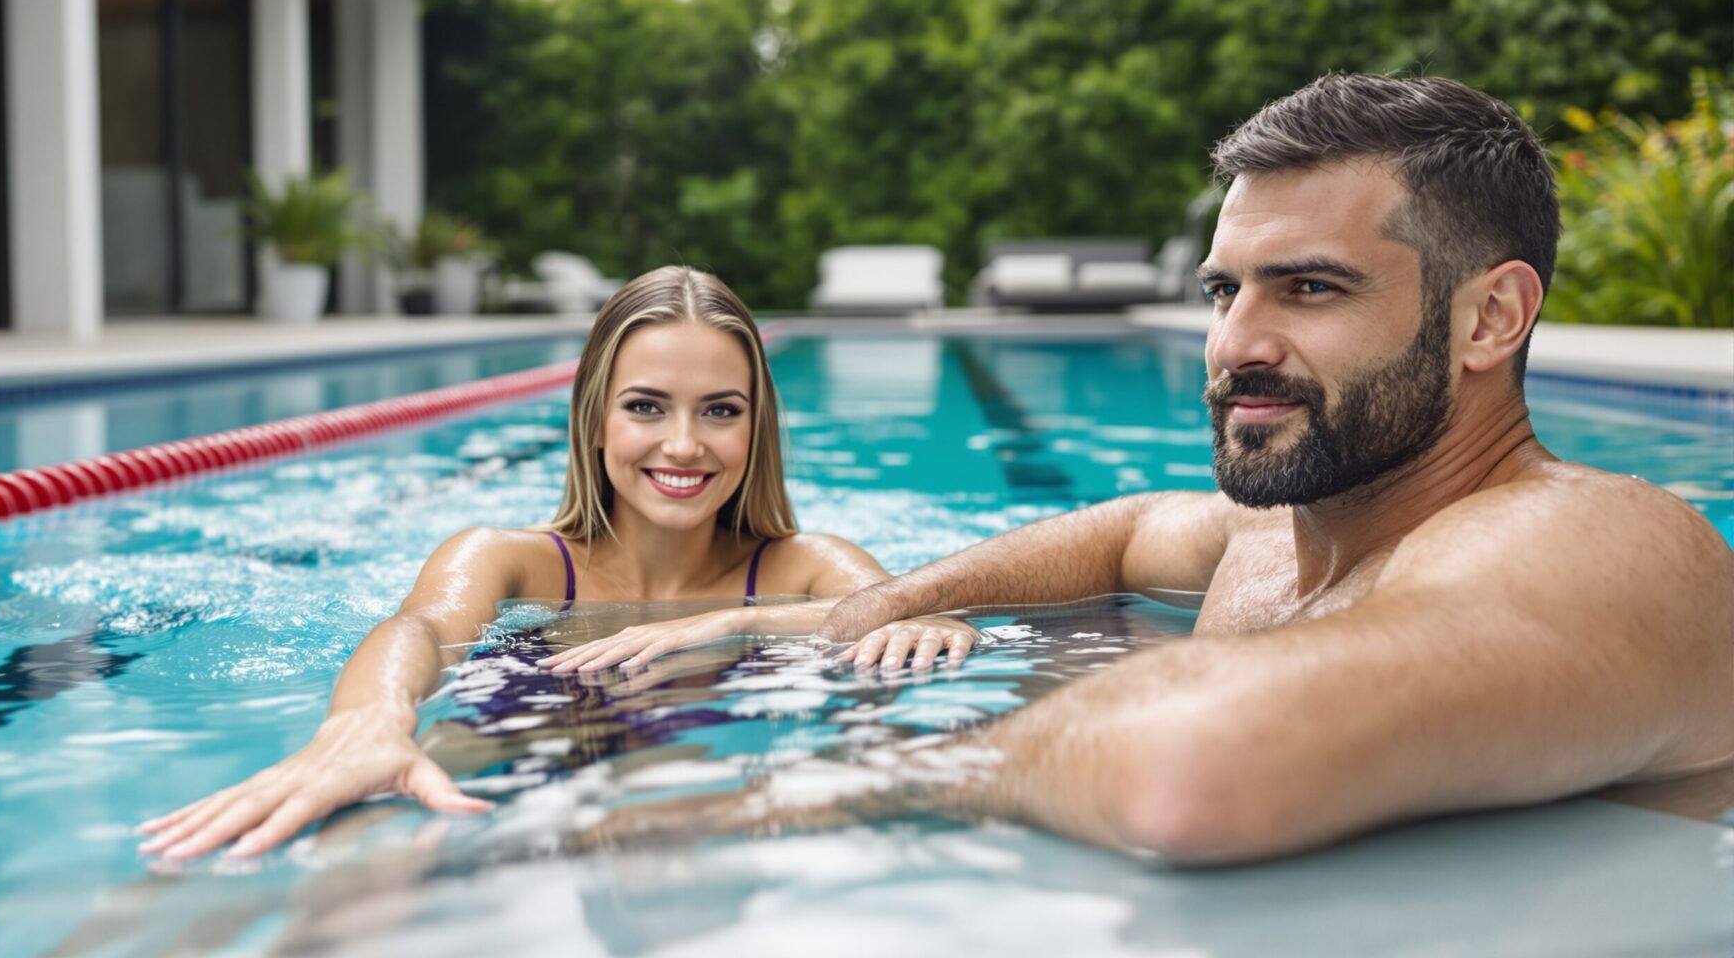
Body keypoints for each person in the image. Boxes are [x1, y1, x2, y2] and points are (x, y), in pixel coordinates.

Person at [627, 73, 1733, 865]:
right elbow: (1124, 530)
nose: (1236, 343)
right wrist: (882, 605)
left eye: (1310, 288)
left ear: (1491, 315)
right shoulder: (1288, 529)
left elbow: (1196, 762)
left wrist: (851, 783)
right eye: (1224, 290)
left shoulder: (1602, 544)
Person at [136, 266, 973, 861]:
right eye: (646, 407)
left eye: (720, 411)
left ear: (757, 428)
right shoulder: (508, 561)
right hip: (517, 743)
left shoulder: (802, 564)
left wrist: (736, 622)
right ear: (595, 420)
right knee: (343, 845)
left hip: (711, 775)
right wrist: (371, 722)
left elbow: (921, 615)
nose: (683, 445)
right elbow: (421, 630)